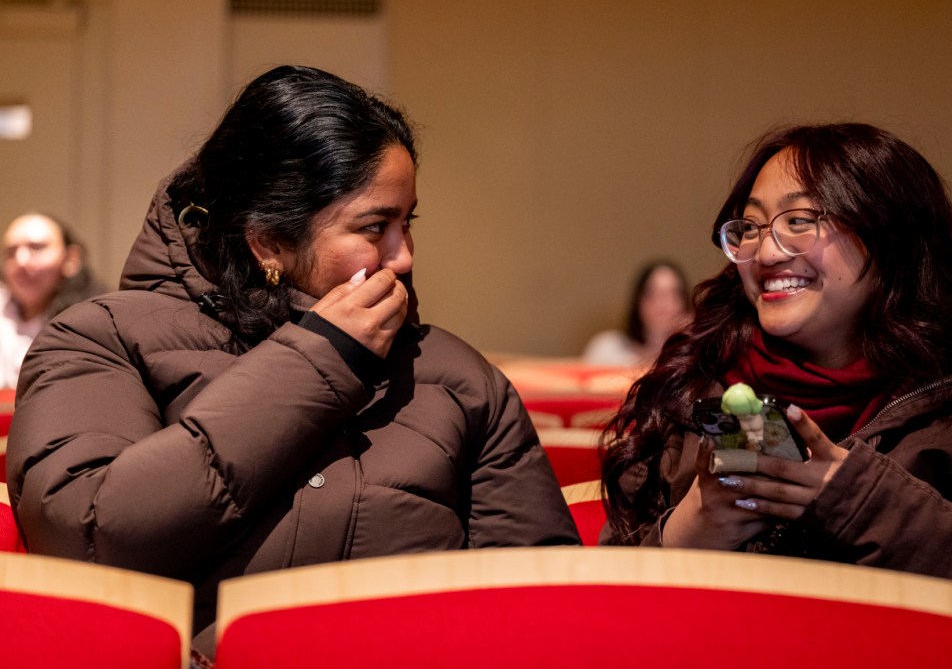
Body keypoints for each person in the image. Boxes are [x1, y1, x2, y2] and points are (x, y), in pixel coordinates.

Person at [7, 66, 579, 659]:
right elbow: (88, 536)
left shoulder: (459, 377)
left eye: (408, 223)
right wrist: (320, 361)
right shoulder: (101, 338)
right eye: (375, 227)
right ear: (268, 242)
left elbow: (540, 610)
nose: (403, 256)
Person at [600, 122, 952, 665]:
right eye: (750, 227)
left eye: (798, 221)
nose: (765, 253)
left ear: (890, 237)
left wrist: (856, 499)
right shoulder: (696, 391)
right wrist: (692, 527)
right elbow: (593, 626)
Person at [0, 212, 105, 388]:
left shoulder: (95, 322)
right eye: (11, 252)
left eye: (37, 248)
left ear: (72, 259)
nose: (21, 261)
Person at [582, 260, 691, 367]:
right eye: (652, 293)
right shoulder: (607, 349)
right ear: (638, 301)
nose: (663, 304)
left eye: (673, 294)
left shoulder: (691, 354)